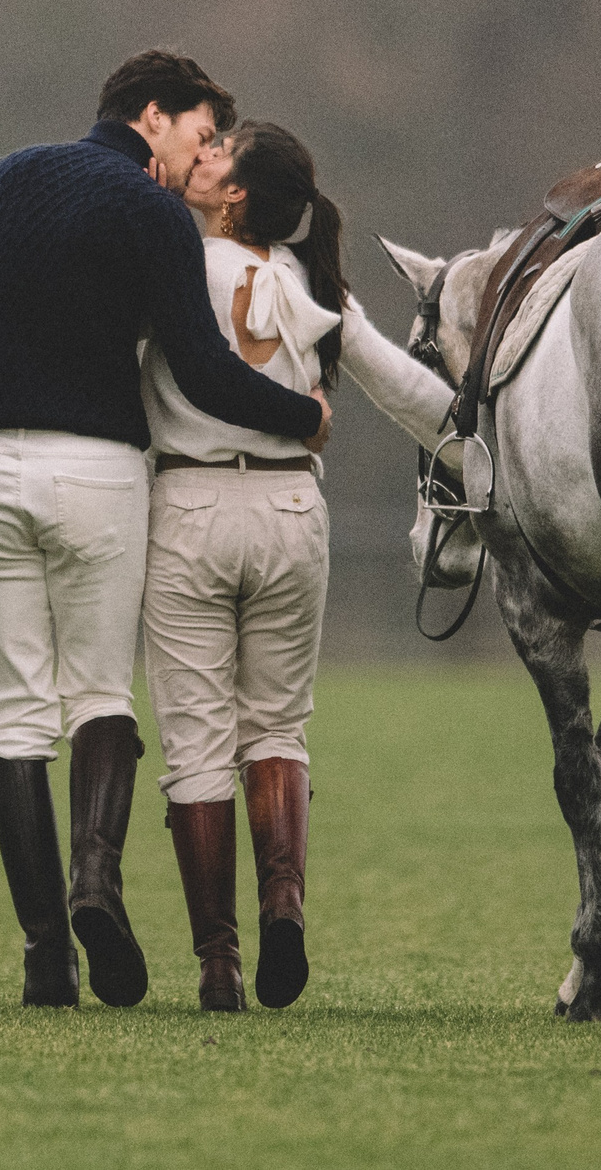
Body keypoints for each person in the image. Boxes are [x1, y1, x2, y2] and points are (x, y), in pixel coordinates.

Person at [0, 51, 332, 1010]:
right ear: (154, 116)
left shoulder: (0, 177)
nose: (204, 156)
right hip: (97, 472)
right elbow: (204, 369)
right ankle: (96, 883)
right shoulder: (154, 214)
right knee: (98, 695)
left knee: (14, 714)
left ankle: (47, 954)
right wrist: (304, 415)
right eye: (202, 135)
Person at [140, 121, 453, 1011]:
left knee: (196, 743)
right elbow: (403, 387)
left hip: (192, 506)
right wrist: (486, 456)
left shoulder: (177, 260)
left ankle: (218, 963)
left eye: (223, 148)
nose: (208, 151)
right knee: (275, 728)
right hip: (288, 508)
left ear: (235, 195)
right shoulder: (314, 281)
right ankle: (284, 902)